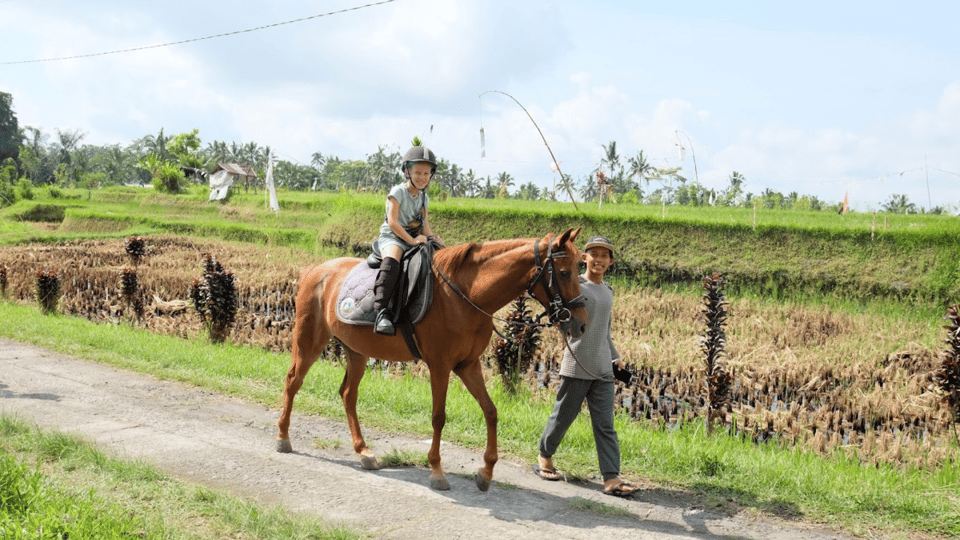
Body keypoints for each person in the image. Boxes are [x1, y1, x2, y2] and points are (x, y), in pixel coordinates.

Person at [535, 235, 639, 497]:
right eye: (594, 254)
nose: (599, 260)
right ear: (584, 258)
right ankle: (545, 455)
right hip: (577, 363)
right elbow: (562, 318)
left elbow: (605, 330)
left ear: (611, 262)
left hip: (603, 368)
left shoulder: (608, 291)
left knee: (605, 425)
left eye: (605, 256)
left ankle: (611, 478)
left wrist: (615, 355)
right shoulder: (575, 285)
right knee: (563, 416)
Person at [372, 144, 444, 336]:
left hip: (414, 238)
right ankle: (382, 312)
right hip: (393, 237)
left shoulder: (424, 198)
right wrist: (412, 242)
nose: (422, 177)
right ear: (407, 172)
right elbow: (393, 222)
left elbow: (425, 228)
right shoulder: (398, 192)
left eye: (426, 174)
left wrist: (435, 239)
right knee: (393, 258)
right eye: (418, 172)